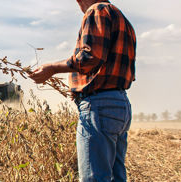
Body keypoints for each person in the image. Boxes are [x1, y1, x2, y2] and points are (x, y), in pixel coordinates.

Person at [29, 0, 136, 181]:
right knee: (116, 177)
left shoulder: (98, 11)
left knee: (95, 178)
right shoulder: (123, 19)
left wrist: (52, 68)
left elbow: (89, 57)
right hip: (120, 103)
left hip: (100, 105)